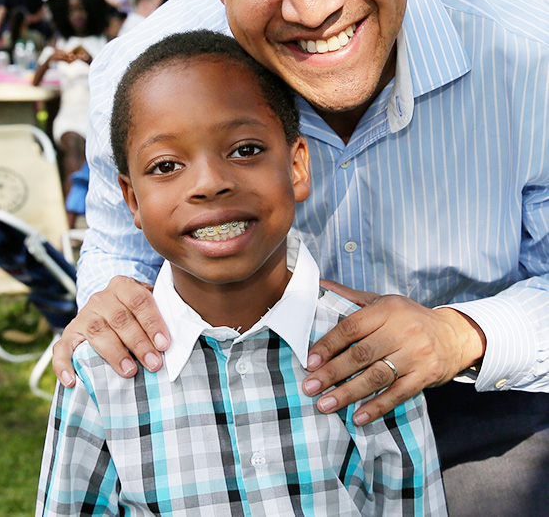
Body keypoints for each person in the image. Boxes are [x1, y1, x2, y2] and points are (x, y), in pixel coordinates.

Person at [54, 0, 549, 515]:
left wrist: (459, 333)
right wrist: (111, 306)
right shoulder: (144, 79)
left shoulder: (529, 57)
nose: (312, 5)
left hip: (482, 405)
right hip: (236, 414)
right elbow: (116, 256)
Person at [37, 31, 446, 517]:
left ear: (296, 166)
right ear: (132, 200)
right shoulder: (101, 370)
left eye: (245, 150)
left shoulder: (370, 350)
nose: (209, 184)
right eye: (167, 165)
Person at [33, 0, 110, 200]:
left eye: (81, 9)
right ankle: (71, 215)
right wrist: (49, 60)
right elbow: (35, 83)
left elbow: (112, 83)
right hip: (68, 117)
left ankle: (79, 212)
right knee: (74, 147)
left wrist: (92, 62)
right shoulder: (60, 42)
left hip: (96, 118)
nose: (76, 15)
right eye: (71, 10)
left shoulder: (104, 42)